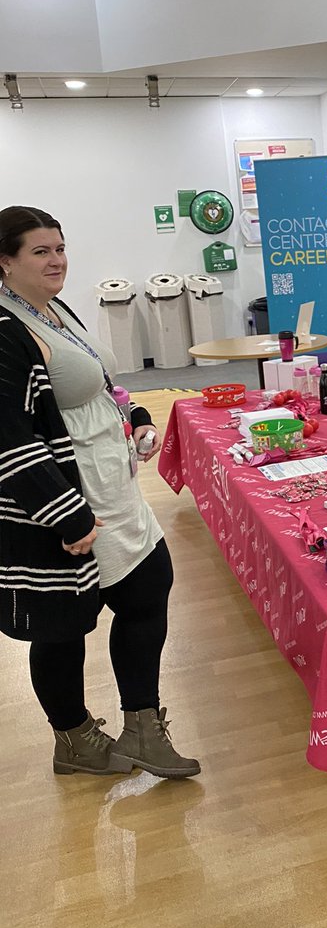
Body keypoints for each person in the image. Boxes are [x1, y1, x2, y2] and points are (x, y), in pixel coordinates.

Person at [0, 206, 200, 779]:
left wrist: (134, 413)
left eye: (60, 247)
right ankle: (74, 739)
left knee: (148, 589)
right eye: (40, 251)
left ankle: (141, 728)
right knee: (61, 627)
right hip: (65, 503)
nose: (57, 259)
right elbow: (9, 441)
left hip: (114, 490)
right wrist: (67, 518)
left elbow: (99, 378)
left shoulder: (51, 310)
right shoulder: (5, 330)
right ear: (5, 261)